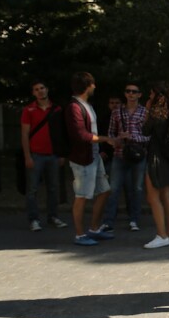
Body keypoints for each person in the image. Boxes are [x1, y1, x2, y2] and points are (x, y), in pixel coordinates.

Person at [64, 72, 114, 246]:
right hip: (82, 159)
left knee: (105, 190)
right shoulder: (74, 107)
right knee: (82, 196)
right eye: (92, 84)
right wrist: (105, 139)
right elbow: (81, 135)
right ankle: (79, 234)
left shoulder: (86, 105)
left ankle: (94, 228)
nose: (95, 87)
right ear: (86, 86)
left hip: (94, 155)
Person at [98, 83, 148, 233]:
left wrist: (133, 137)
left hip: (138, 155)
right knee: (113, 189)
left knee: (137, 188)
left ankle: (134, 219)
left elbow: (149, 136)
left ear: (139, 94)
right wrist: (115, 140)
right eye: (128, 91)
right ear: (125, 94)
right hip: (120, 154)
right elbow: (111, 133)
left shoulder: (145, 112)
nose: (131, 94)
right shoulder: (117, 113)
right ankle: (108, 221)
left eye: (134, 91)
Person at [20, 80, 68, 231]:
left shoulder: (57, 109)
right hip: (36, 154)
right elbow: (25, 134)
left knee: (53, 188)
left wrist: (61, 154)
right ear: (33, 93)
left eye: (42, 88)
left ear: (47, 90)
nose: (40, 91)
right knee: (33, 189)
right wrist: (27, 156)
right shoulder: (29, 110)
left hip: (53, 154)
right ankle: (33, 219)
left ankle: (53, 216)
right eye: (36, 89)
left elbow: (61, 133)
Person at [142, 81, 169, 248]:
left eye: (151, 94)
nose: (149, 97)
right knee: (167, 195)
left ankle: (161, 234)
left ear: (157, 96)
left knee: (153, 197)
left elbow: (145, 131)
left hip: (156, 158)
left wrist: (147, 109)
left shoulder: (156, 114)